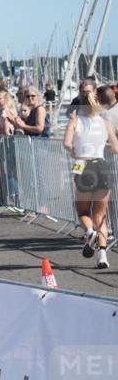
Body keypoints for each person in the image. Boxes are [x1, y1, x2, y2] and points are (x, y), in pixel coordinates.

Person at [64, 89, 118, 269]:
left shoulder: (75, 121)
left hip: (83, 166)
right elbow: (116, 148)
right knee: (100, 215)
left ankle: (89, 232)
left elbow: (66, 143)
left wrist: (74, 151)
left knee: (83, 212)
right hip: (101, 166)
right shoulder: (105, 123)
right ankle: (102, 255)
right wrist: (103, 143)